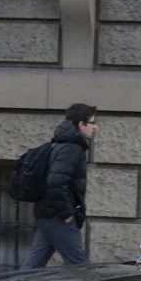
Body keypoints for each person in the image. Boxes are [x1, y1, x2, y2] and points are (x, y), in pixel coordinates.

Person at [24, 103, 96, 268]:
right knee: (80, 267)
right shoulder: (72, 148)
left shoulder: (61, 144)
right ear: (81, 125)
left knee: (33, 266)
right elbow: (55, 182)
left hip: (48, 214)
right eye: (92, 123)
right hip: (57, 216)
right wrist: (66, 213)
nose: (95, 127)